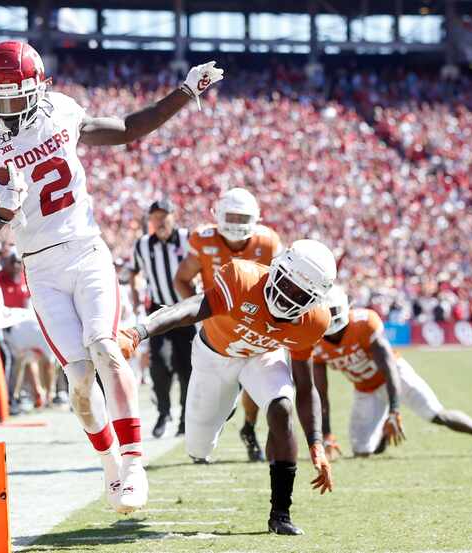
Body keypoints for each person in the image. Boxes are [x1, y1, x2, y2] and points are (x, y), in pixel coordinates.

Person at [0, 40, 223, 514]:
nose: (6, 106)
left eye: (15, 94)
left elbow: (124, 129)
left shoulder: (60, 112)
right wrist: (2, 215)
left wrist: (183, 92)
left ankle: (135, 463)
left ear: (38, 89)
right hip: (40, 264)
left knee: (106, 345)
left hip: (85, 248)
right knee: (78, 378)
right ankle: (109, 464)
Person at [118, 240, 336, 535]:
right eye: (287, 283)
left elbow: (305, 385)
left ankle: (280, 514)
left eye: (301, 294)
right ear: (276, 269)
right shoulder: (242, 278)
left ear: (315, 301)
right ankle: (228, 405)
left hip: (261, 356)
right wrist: (138, 332)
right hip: (214, 357)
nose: (288, 296)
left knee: (281, 407)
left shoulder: (313, 321)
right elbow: (191, 307)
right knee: (198, 446)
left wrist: (316, 443)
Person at [312, 286, 472, 458]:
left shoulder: (364, 322)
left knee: (437, 415)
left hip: (397, 377)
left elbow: (389, 368)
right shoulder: (314, 341)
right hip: (365, 390)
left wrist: (394, 409)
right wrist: (327, 434)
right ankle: (385, 435)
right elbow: (321, 394)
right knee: (363, 451)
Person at [174, 187, 284, 461]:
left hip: (257, 324)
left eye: (241, 217)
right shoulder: (203, 239)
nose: (236, 224)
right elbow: (182, 279)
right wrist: (201, 317)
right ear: (218, 216)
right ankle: (222, 420)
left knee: (256, 383)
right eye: (231, 217)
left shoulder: (268, 243)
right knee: (213, 397)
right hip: (218, 327)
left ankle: (248, 428)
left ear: (255, 218)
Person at [131, 199, 195, 438]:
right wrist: (137, 293)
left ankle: (185, 420)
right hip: (160, 312)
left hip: (188, 310)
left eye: (163, 216)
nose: (159, 221)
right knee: (159, 362)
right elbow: (135, 271)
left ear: (173, 216)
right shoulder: (143, 245)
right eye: (155, 217)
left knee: (187, 368)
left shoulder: (189, 238)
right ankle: (164, 411)